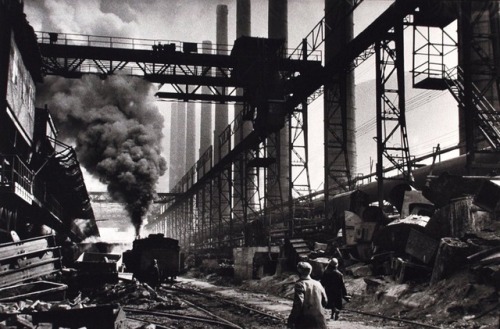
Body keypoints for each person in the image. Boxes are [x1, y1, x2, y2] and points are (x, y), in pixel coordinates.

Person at [287, 261, 328, 329]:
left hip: (305, 321)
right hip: (320, 320)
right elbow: (325, 301)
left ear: (299, 271)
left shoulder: (300, 284)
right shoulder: (318, 283)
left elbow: (298, 304)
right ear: (310, 271)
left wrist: (291, 319)